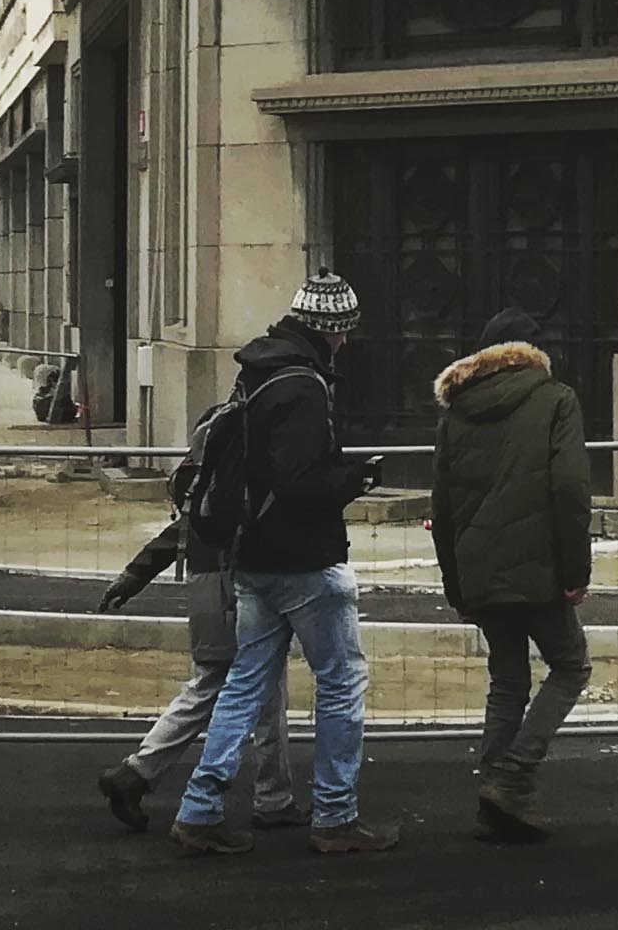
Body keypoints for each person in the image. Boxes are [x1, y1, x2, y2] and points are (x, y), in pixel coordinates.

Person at [170, 270, 397, 857]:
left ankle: (199, 807)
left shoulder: (258, 373)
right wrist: (357, 477)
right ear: (330, 330)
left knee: (244, 684)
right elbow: (300, 483)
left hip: (252, 555)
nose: (346, 341)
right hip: (304, 559)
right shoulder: (304, 387)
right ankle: (336, 815)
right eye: (343, 331)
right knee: (341, 682)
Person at [428, 308, 595, 844]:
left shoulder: (456, 414)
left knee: (507, 679)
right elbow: (570, 488)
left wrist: (456, 586)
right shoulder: (556, 400)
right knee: (570, 665)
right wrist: (575, 570)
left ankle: (494, 797)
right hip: (539, 564)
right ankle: (513, 774)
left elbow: (442, 507)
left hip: (480, 567)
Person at [91, 425, 299, 834]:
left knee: (227, 684)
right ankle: (141, 773)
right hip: (234, 587)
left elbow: (181, 531)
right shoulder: (249, 457)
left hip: (208, 583)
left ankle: (271, 794)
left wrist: (135, 574)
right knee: (240, 685)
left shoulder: (210, 469)